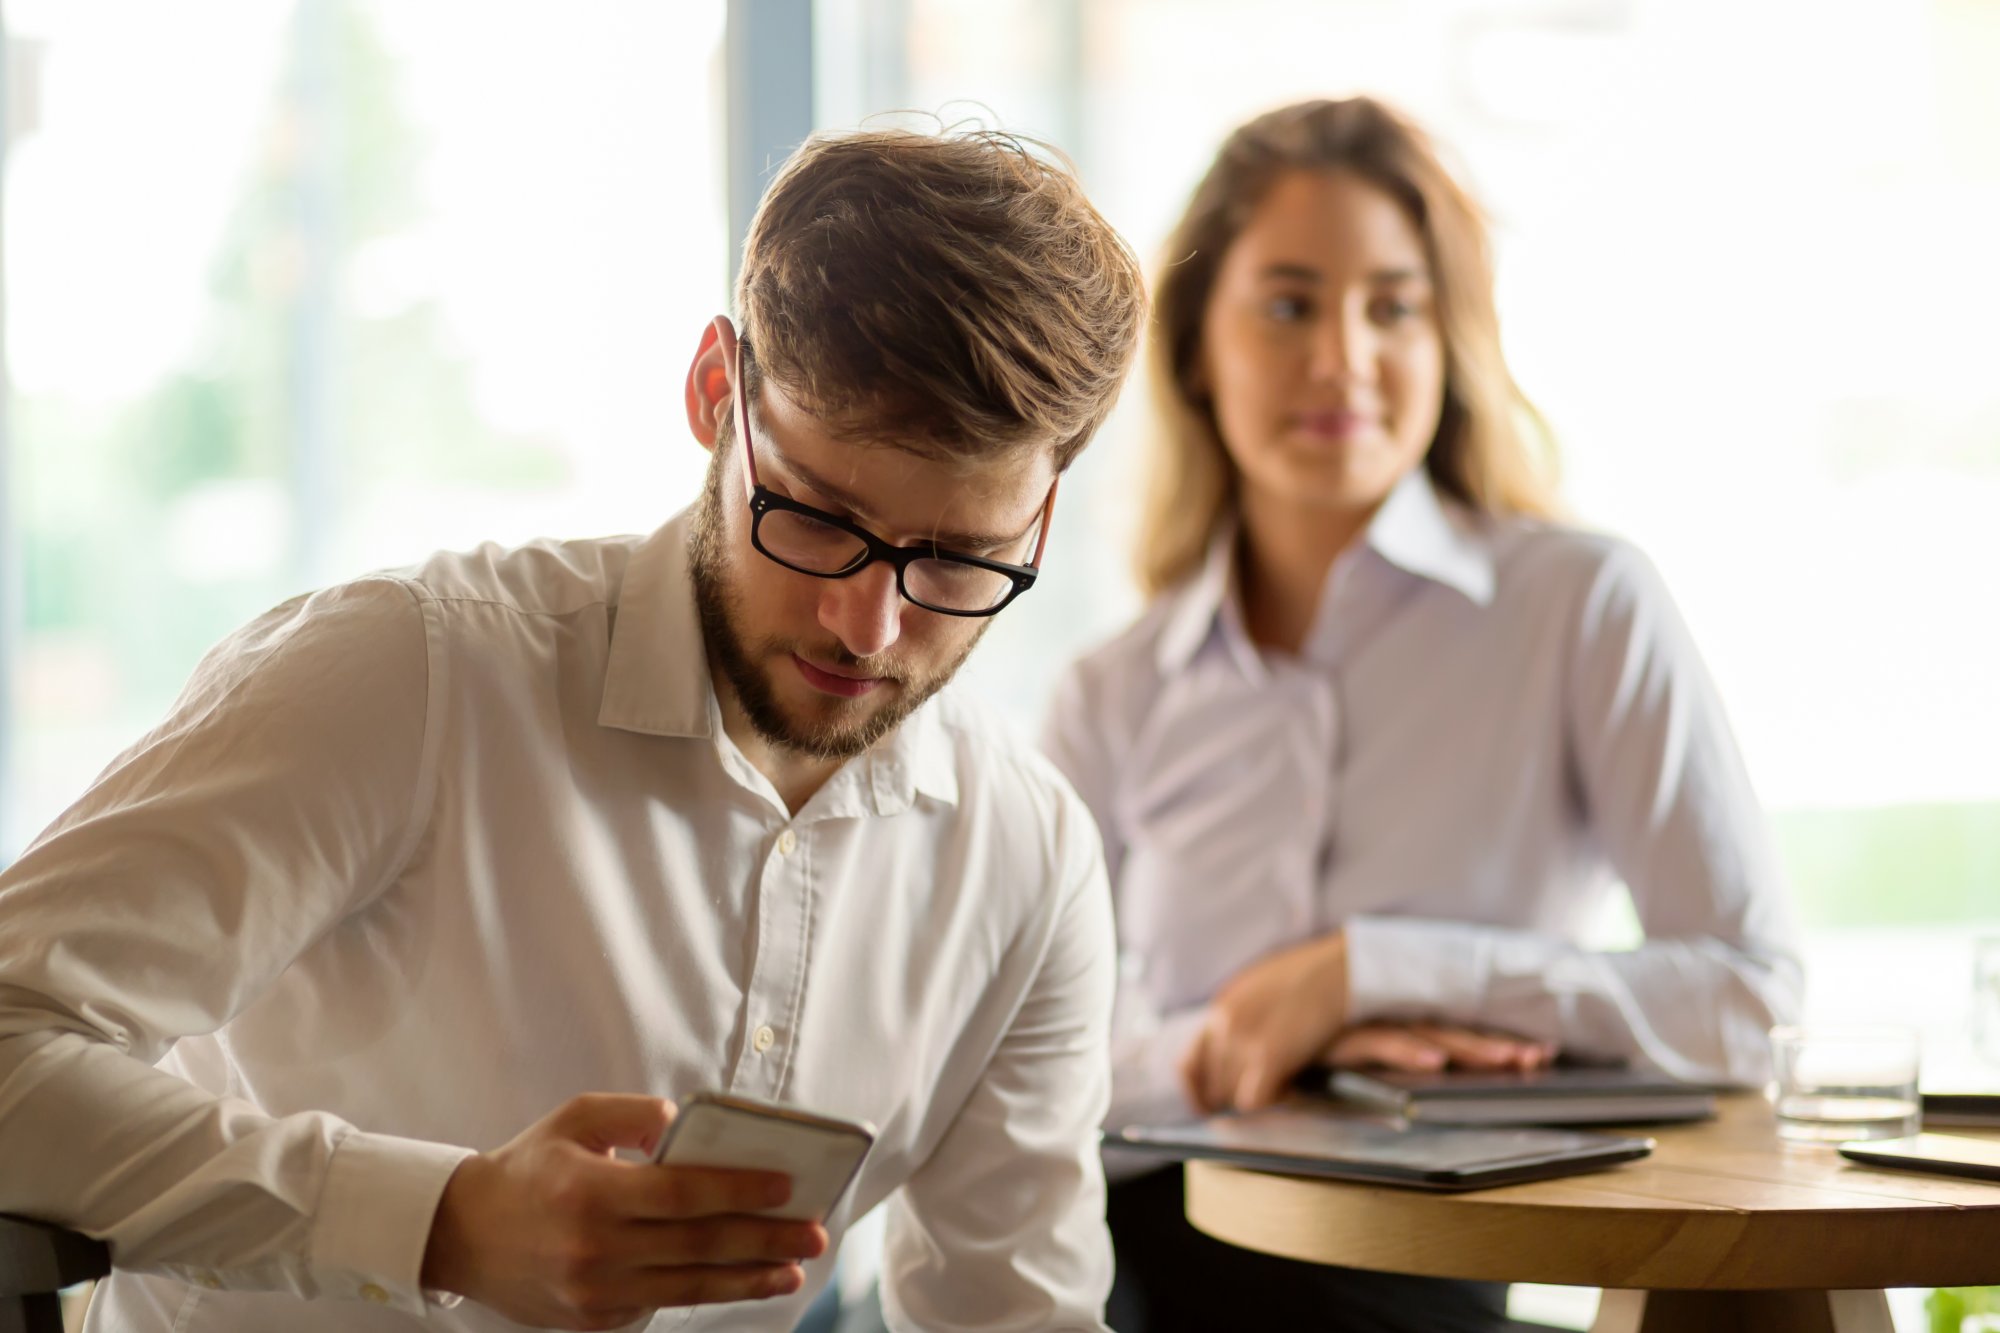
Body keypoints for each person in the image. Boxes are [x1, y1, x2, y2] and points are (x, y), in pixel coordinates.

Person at [0, 127, 1145, 1333]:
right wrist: (441, 1220)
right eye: (815, 516)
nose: (865, 625)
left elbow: (1013, 1317)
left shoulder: (1026, 857)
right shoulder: (413, 674)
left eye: (956, 558)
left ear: (1042, 519)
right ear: (716, 394)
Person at [1042, 97, 1804, 1333]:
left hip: (1424, 1271)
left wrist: (1370, 971)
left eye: (1392, 306)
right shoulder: (1111, 692)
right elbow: (1018, 1060)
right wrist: (1230, 1040)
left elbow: (1750, 1005)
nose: (1342, 358)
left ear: (1446, 338)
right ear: (1195, 348)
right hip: (1132, 1272)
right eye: (1288, 304)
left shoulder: (1578, 609)